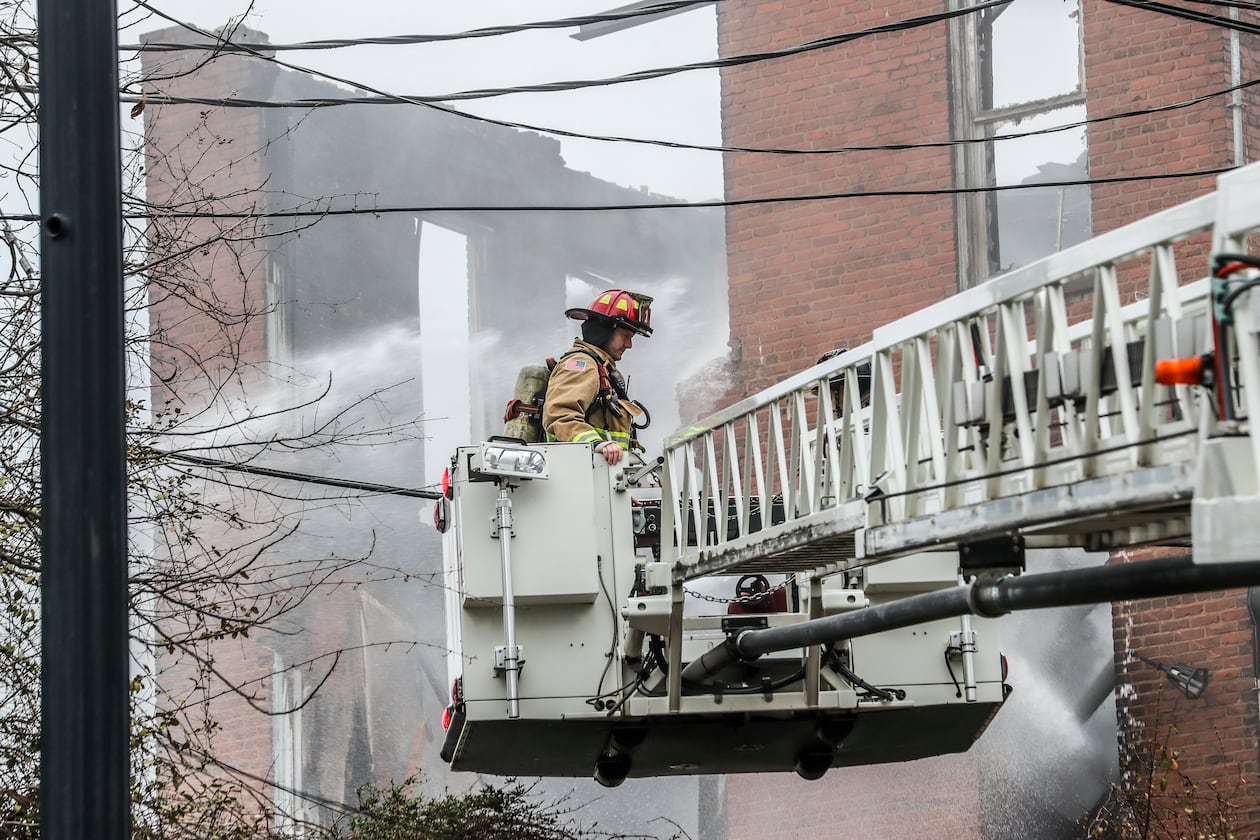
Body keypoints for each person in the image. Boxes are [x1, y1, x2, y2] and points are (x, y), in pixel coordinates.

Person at [543, 289, 652, 466]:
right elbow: (560, 415)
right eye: (625, 336)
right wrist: (597, 444)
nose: (629, 345)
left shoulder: (606, 372)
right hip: (578, 477)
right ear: (604, 331)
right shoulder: (582, 365)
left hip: (598, 480)